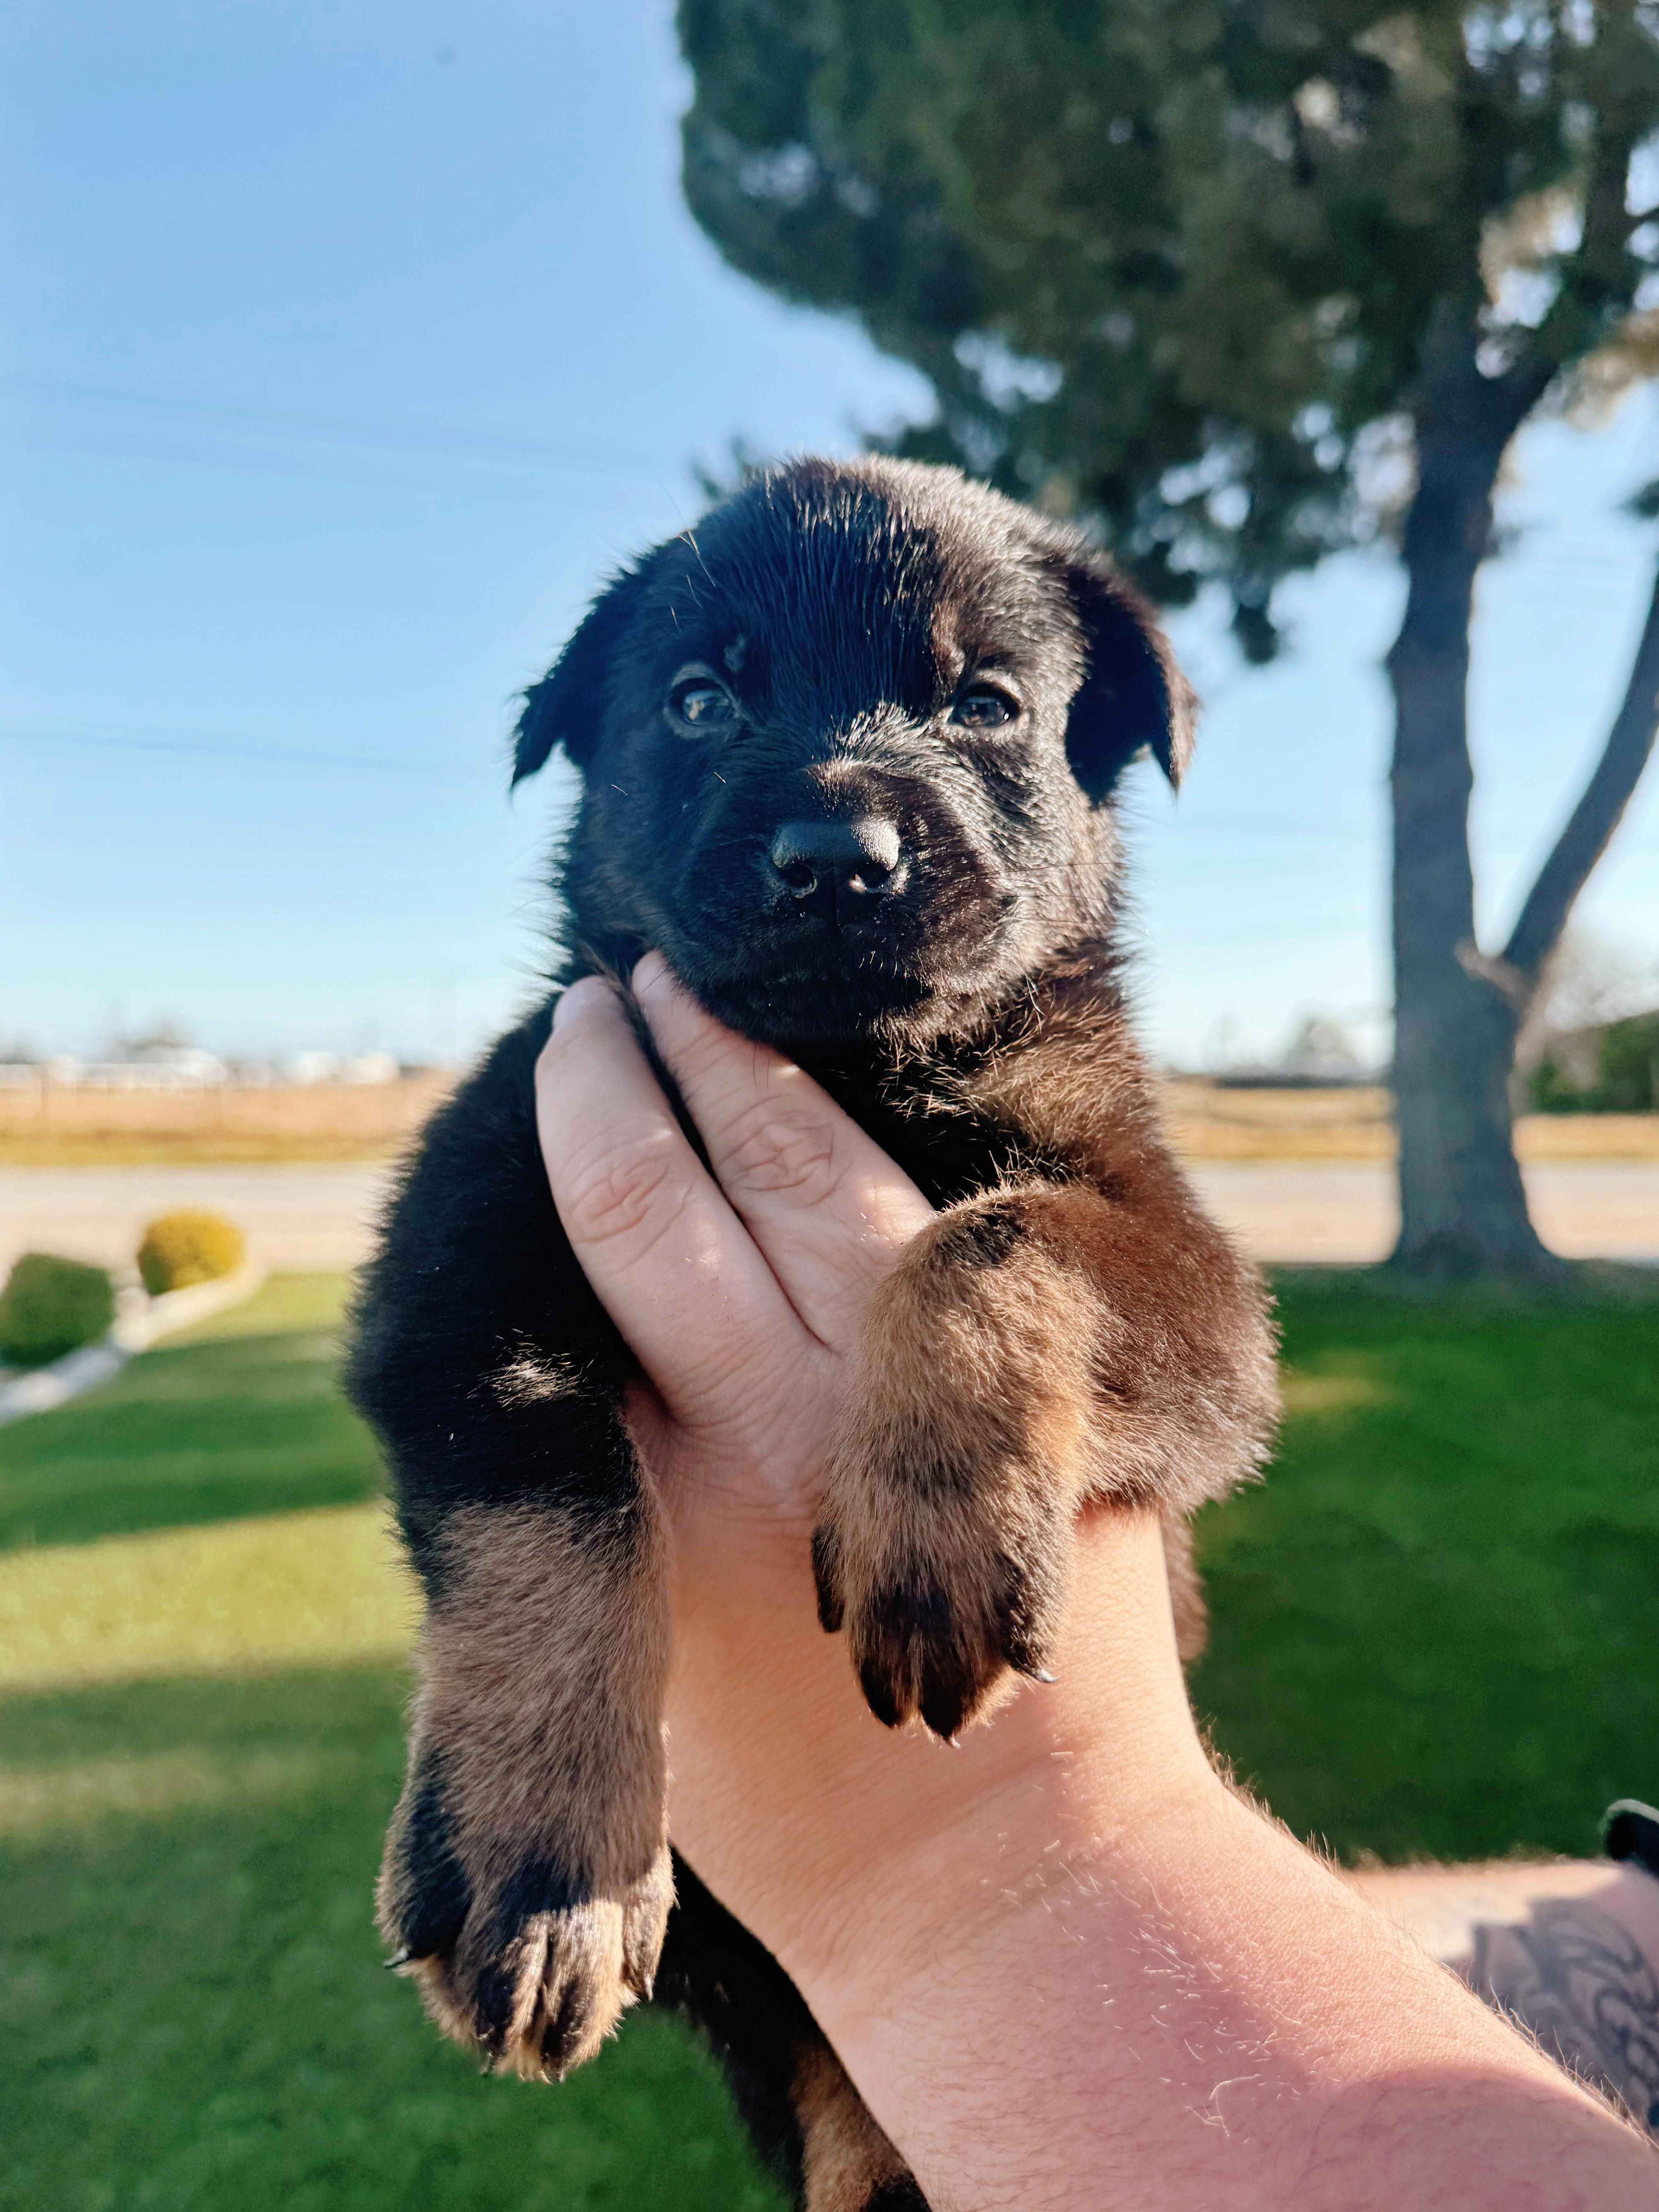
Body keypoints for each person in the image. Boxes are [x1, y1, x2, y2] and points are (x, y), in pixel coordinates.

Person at [533, 957, 1657, 2208]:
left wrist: (1018, 1854)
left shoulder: (1048, 1030)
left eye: (989, 738)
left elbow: (1217, 1374)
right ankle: (837, 2091)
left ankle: (857, 2115)